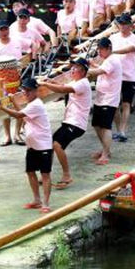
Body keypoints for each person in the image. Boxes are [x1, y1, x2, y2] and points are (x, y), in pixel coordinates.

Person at [0, 79, 54, 212]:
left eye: (28, 90)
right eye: (24, 90)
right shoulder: (31, 105)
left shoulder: (36, 104)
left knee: (45, 175)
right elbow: (23, 115)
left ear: (35, 91)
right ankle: (37, 200)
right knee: (30, 172)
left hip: (43, 145)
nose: (25, 93)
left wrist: (1, 107)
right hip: (32, 145)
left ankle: (45, 203)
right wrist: (13, 101)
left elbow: (18, 115)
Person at [39, 58, 90, 189]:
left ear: (83, 71)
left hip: (77, 124)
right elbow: (62, 86)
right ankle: (46, 174)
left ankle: (67, 175)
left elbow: (63, 90)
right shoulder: (76, 81)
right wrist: (50, 81)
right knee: (50, 145)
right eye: (73, 67)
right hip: (69, 121)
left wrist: (45, 85)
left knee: (57, 145)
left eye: (76, 68)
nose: (72, 70)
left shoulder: (82, 83)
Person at [0, 20, 25, 146]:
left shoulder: (16, 42)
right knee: (5, 109)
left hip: (16, 78)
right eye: (1, 30)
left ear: (8, 30)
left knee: (19, 106)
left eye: (5, 29)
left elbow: (21, 59)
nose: (4, 32)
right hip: (2, 81)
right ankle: (7, 136)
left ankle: (17, 134)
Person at [87, 37, 122, 165]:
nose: (100, 52)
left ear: (109, 48)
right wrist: (92, 64)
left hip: (109, 99)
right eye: (99, 49)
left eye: (101, 49)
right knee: (96, 124)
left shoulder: (112, 60)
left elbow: (99, 71)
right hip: (101, 98)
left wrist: (84, 69)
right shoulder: (107, 60)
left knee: (105, 126)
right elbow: (102, 68)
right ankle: (105, 149)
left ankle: (106, 154)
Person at [109, 13, 135, 142]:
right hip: (115, 75)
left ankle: (122, 131)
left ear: (130, 26)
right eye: (120, 24)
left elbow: (130, 49)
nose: (122, 26)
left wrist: (114, 51)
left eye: (125, 24)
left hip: (129, 75)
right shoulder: (113, 37)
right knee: (115, 105)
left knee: (126, 104)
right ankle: (118, 130)